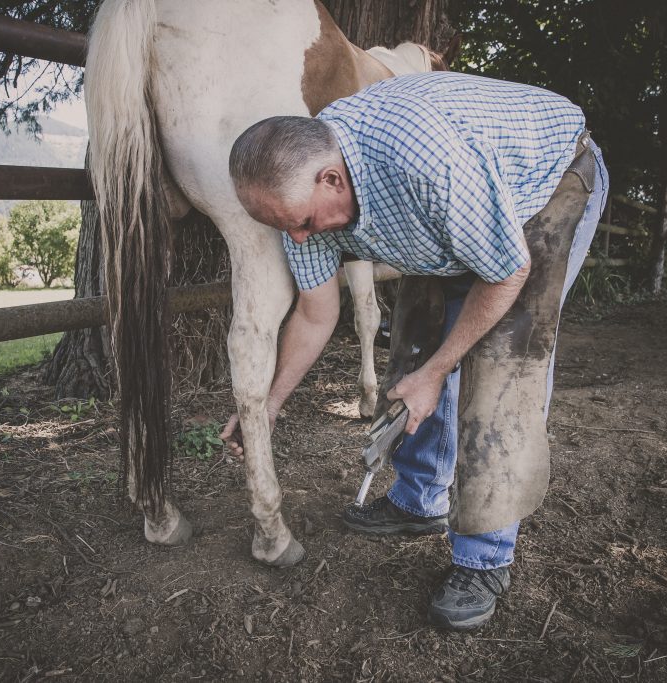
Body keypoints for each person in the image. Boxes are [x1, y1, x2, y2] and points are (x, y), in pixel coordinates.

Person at [223, 71, 608, 630]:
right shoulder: (303, 202)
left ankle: (484, 557)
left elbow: (506, 272)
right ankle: (420, 499)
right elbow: (315, 313)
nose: (300, 239)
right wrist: (271, 403)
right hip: (446, 216)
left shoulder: (425, 163)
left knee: (501, 365)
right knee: (416, 341)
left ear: (331, 179)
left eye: (303, 224)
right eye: (288, 228)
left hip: (545, 186)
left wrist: (440, 370)